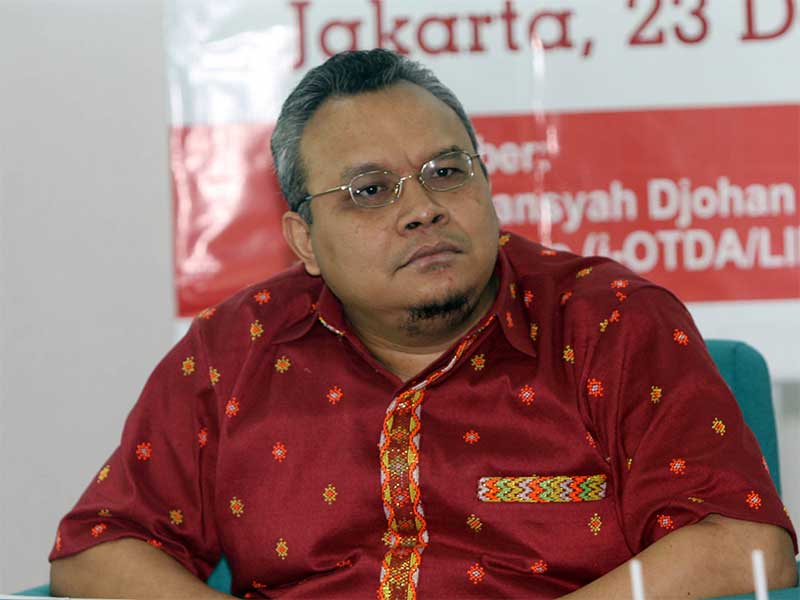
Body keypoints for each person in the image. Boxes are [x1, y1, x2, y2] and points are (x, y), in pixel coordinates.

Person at [50, 49, 797, 599]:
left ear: (486, 182)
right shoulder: (233, 351)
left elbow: (743, 546)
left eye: (446, 172)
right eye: (369, 190)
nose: (421, 209)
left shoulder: (611, 322)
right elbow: (98, 549)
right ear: (305, 240)